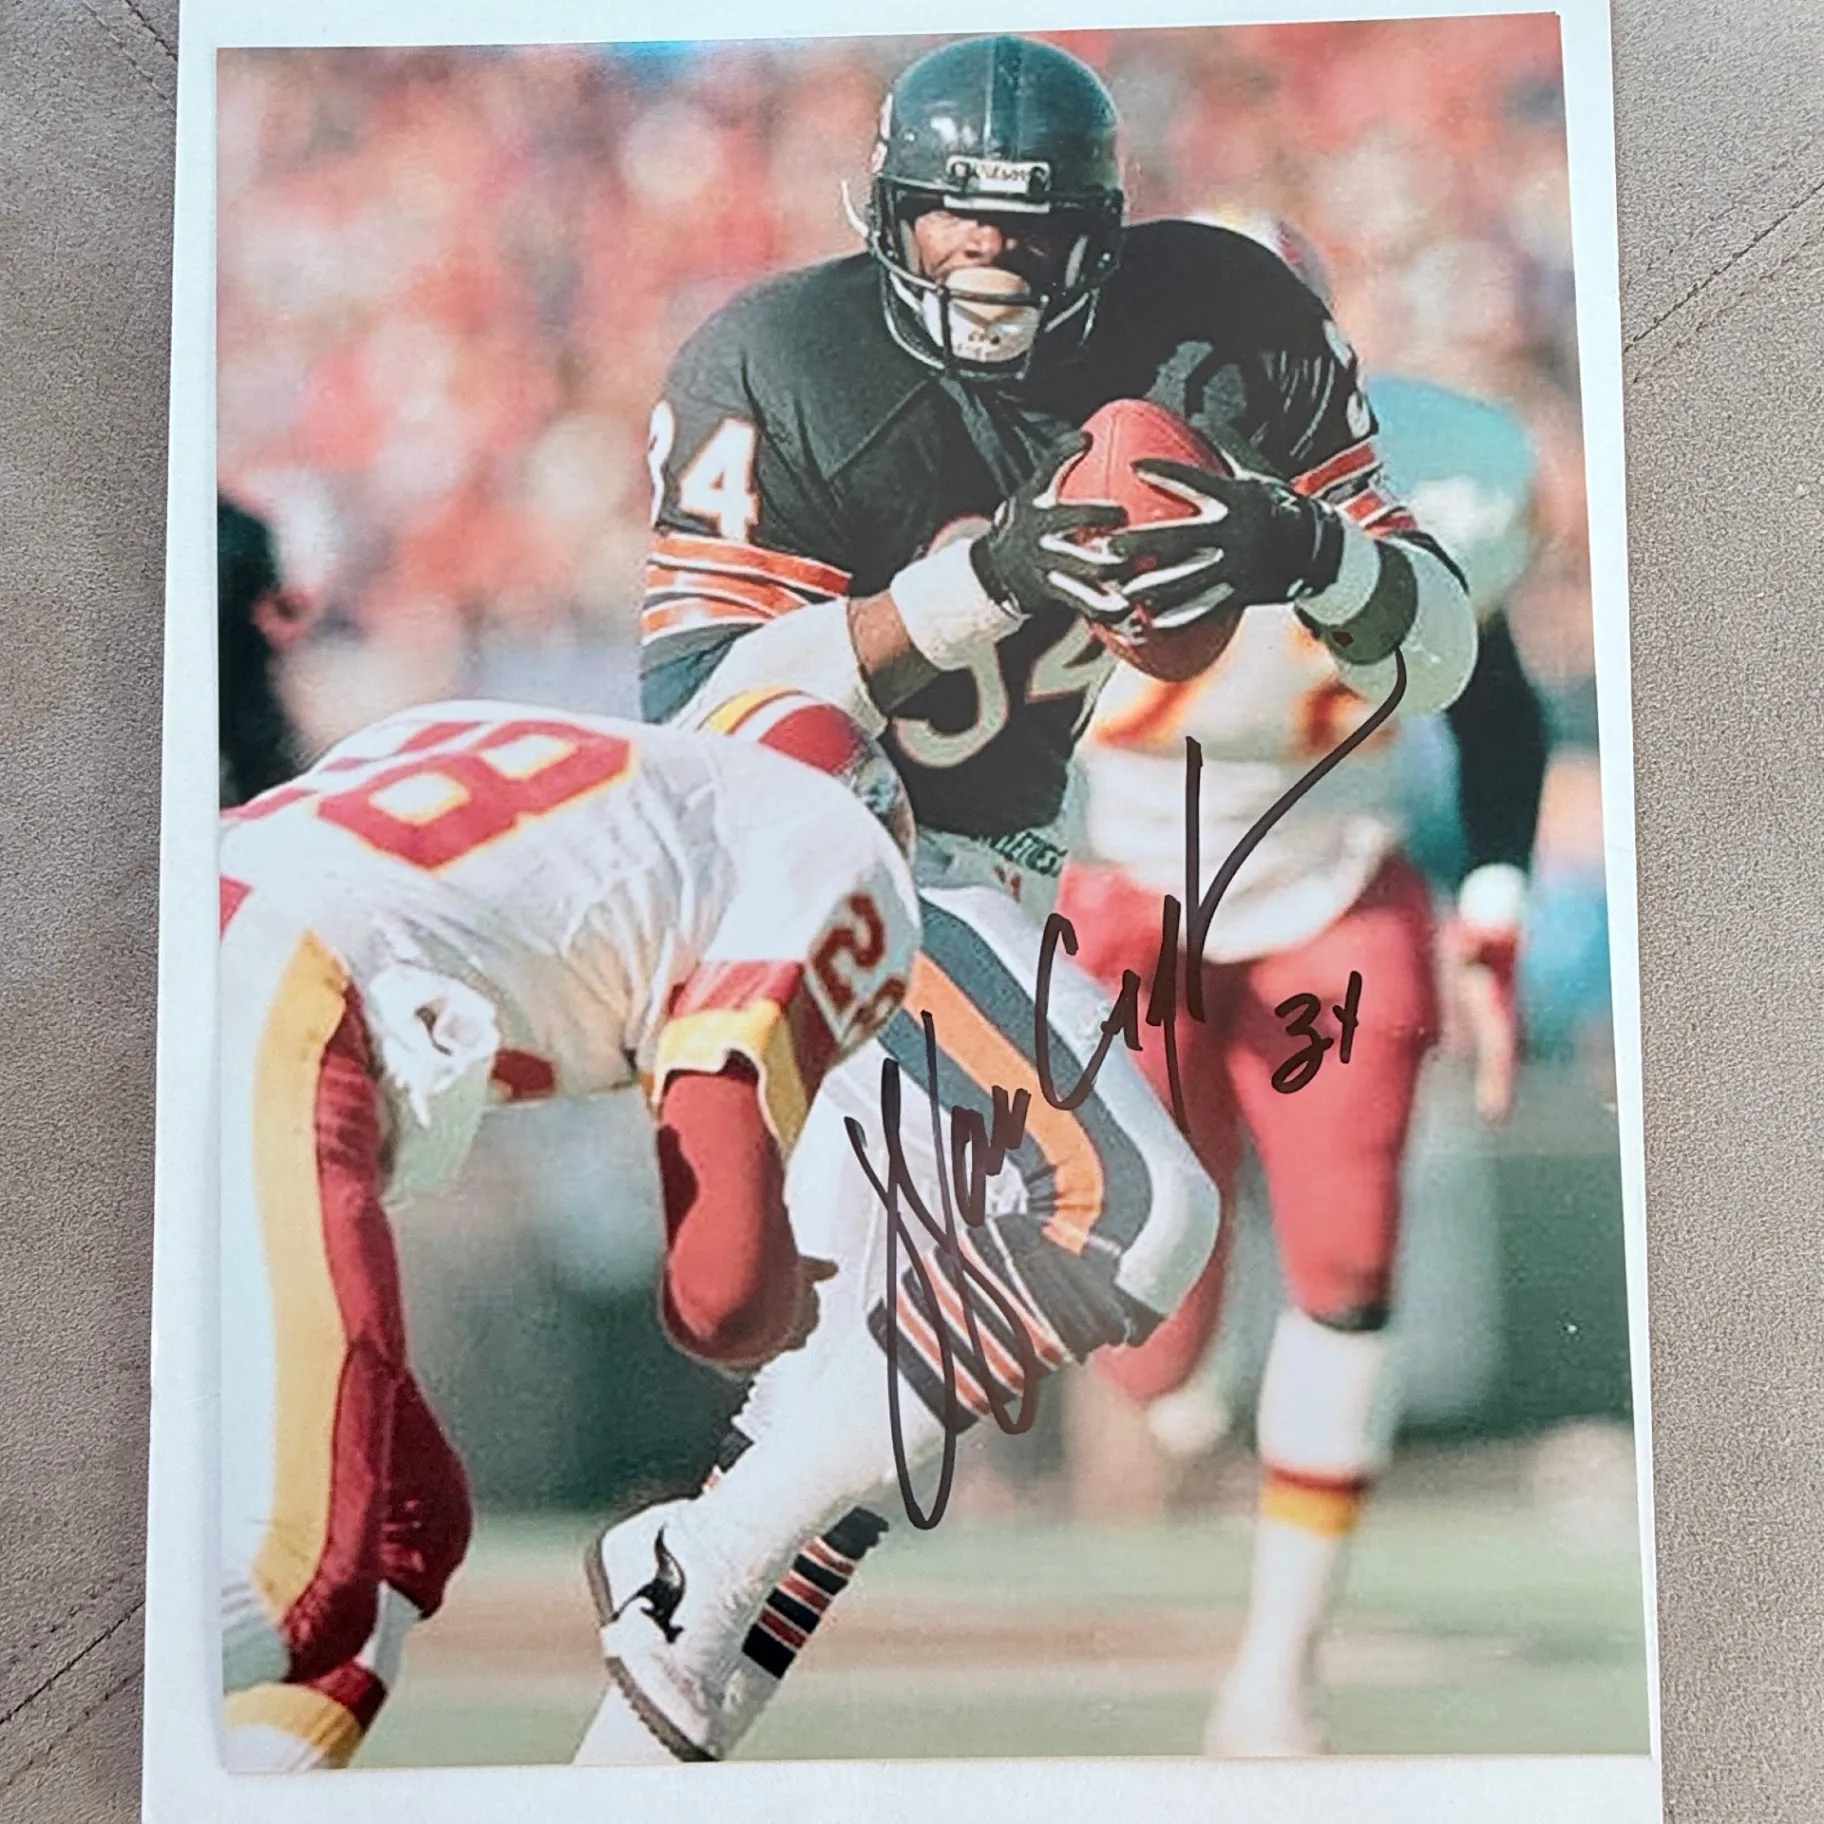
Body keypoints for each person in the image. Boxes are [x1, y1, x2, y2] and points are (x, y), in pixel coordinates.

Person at [575, 34, 1478, 1765]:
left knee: (849, 1412)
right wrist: (979, 582)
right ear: (887, 215)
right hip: (802, 854)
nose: (983, 271)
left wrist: (1309, 552)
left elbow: (1430, 653)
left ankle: (635, 1742)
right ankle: (694, 1561)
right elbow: (705, 723)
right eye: (951, 230)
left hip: (997, 867)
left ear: (1098, 239)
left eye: (1026, 238)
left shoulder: (1222, 324)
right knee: (1134, 1215)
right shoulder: (783, 360)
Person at [215, 692, 919, 1771]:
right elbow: (720, 1296)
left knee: (407, 1522)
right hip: (265, 995)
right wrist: (781, 1296)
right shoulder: (824, 839)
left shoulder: (522, 756)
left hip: (180, 943)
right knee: (300, 1577)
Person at [1060, 268, 1548, 1752]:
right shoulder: (1065, 464)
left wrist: (1493, 906)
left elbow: (1494, 701)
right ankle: (1185, 1358)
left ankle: (1278, 1663)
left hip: (1333, 878)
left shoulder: (1438, 472)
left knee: (1349, 1266)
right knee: (1147, 1334)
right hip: (1132, 888)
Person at [217, 493, 315, 807]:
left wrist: (290, 613)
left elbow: (273, 607)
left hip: (240, 676)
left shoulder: (242, 528)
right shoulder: (241, 526)